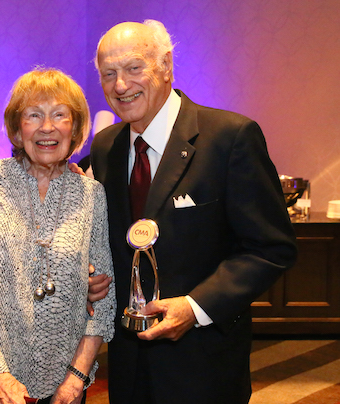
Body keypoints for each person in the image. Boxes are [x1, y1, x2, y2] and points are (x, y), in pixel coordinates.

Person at [88, 20, 298, 403]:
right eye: (109, 74)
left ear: (165, 65)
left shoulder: (230, 137)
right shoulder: (104, 148)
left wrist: (195, 307)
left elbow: (271, 247)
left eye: (134, 68)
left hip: (202, 366)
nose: (120, 85)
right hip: (127, 366)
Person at [0, 68, 116, 404]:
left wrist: (77, 378)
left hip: (66, 387)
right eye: (34, 115)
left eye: (60, 114)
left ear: (74, 128)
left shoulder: (92, 194)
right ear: (17, 129)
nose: (47, 127)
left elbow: (103, 298)